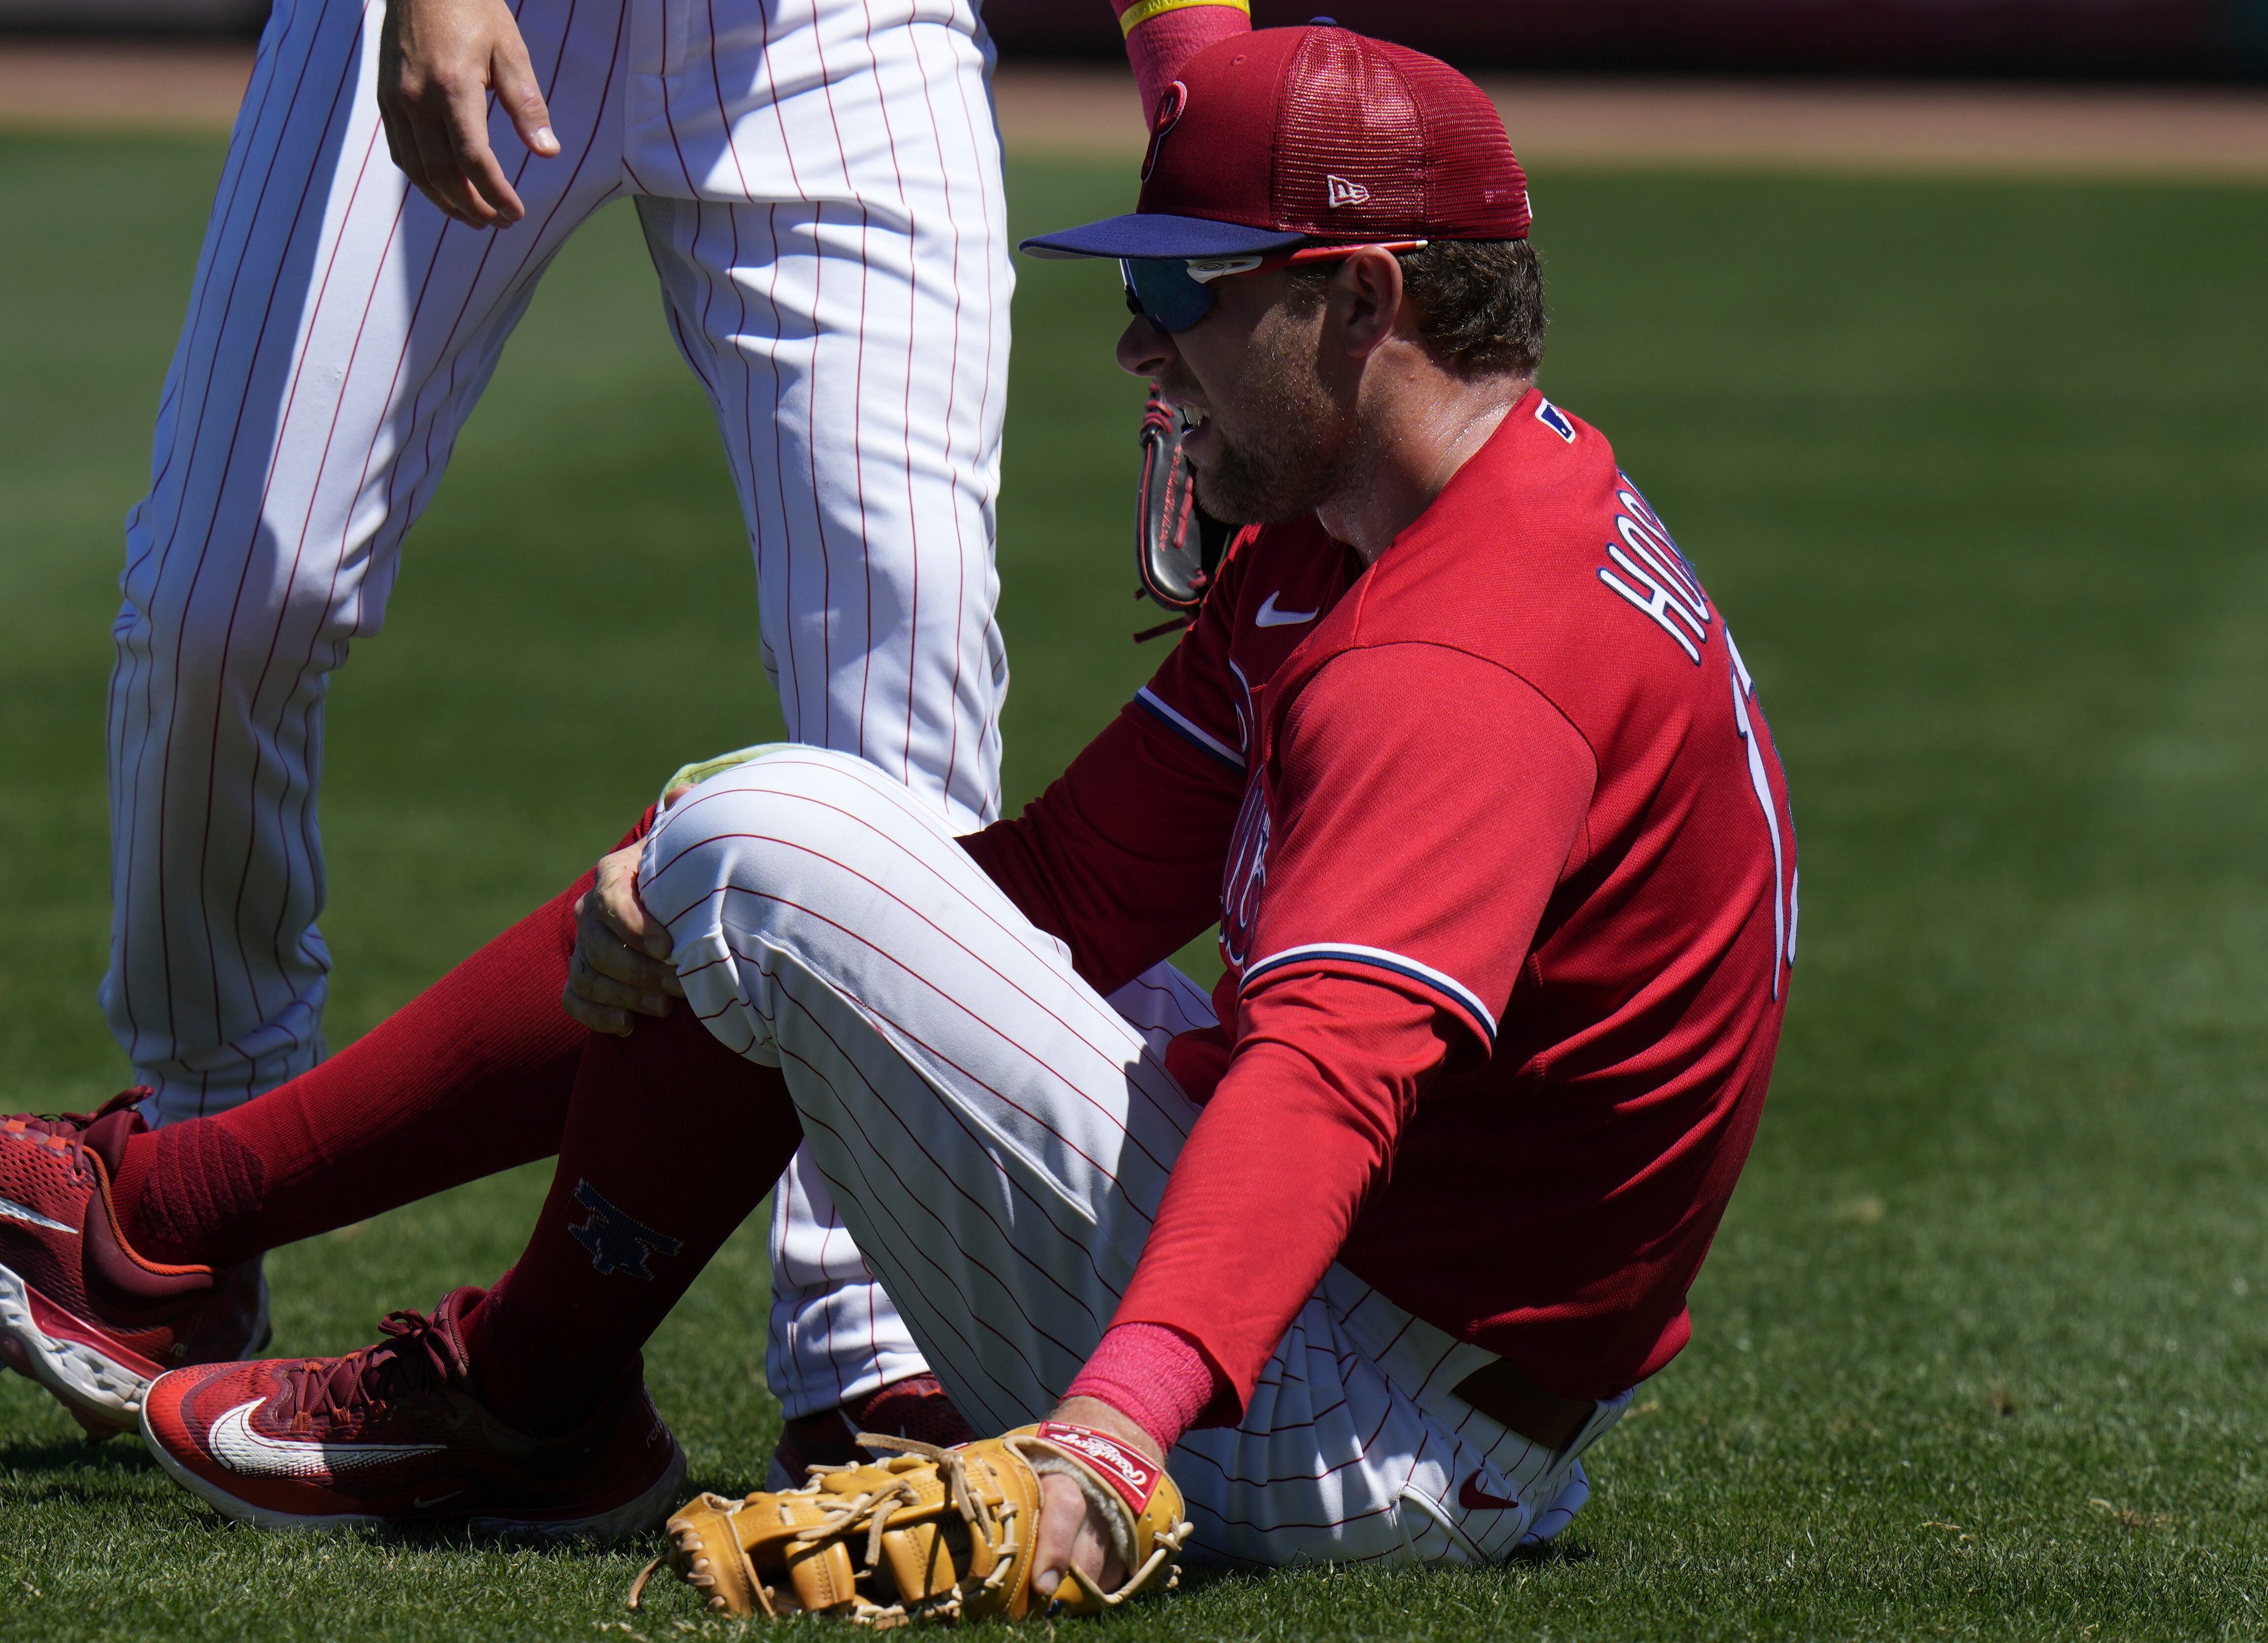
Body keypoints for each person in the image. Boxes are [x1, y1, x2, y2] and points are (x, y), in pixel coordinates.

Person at [0, 25, 1793, 1586]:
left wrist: (1109, 1441)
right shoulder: (1407, 519)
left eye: (1185, 293)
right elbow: (1065, 892)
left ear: (1367, 300)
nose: (1137, 351)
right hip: (1399, 1340)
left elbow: (1330, 1082)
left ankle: (500, 1392)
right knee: (788, 871)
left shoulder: (1462, 661)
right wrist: (740, 939)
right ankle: (248, 1240)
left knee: (772, 847)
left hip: (1353, 1420)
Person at [75, 0, 1249, 1478]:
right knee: (225, 601)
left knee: (912, 646)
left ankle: (868, 1335)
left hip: (840, 30)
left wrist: (1199, 76)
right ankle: (192, 1173)